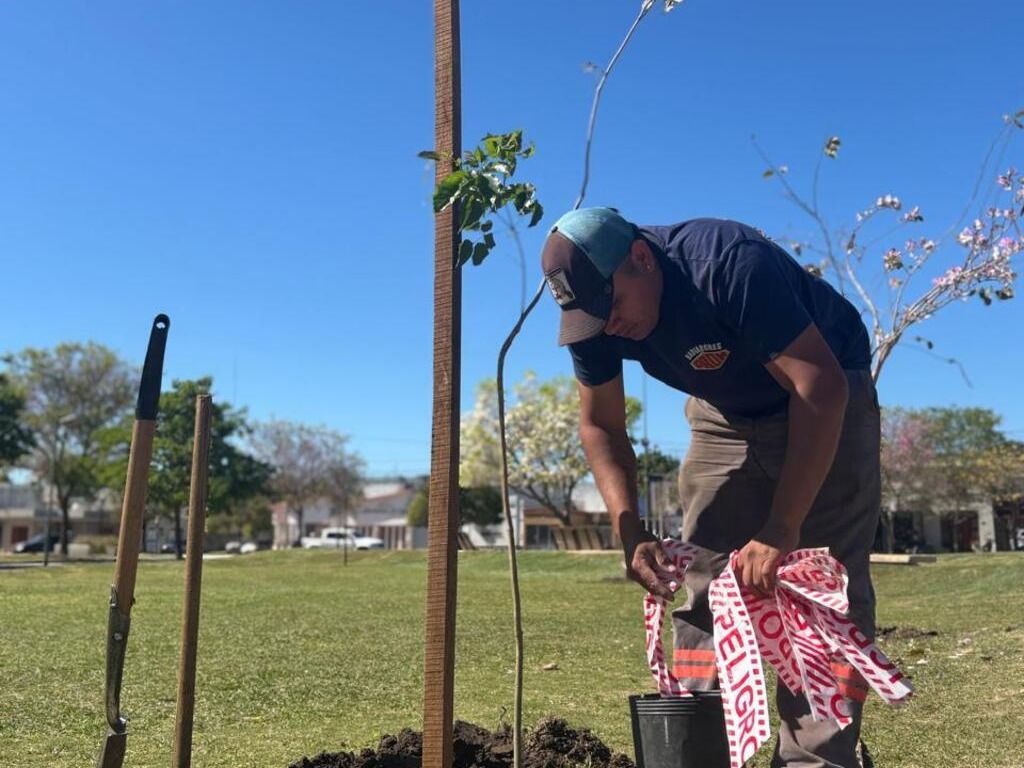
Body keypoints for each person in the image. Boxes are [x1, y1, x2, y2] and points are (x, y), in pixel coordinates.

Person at [540, 207, 880, 768]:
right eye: (591, 318)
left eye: (613, 306)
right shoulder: (594, 315)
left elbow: (817, 385)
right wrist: (631, 531)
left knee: (827, 588)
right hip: (724, 411)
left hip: (826, 392)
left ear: (642, 259)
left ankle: (816, 758)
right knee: (703, 575)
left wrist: (781, 528)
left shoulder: (724, 263)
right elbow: (600, 423)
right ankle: (696, 748)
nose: (607, 326)